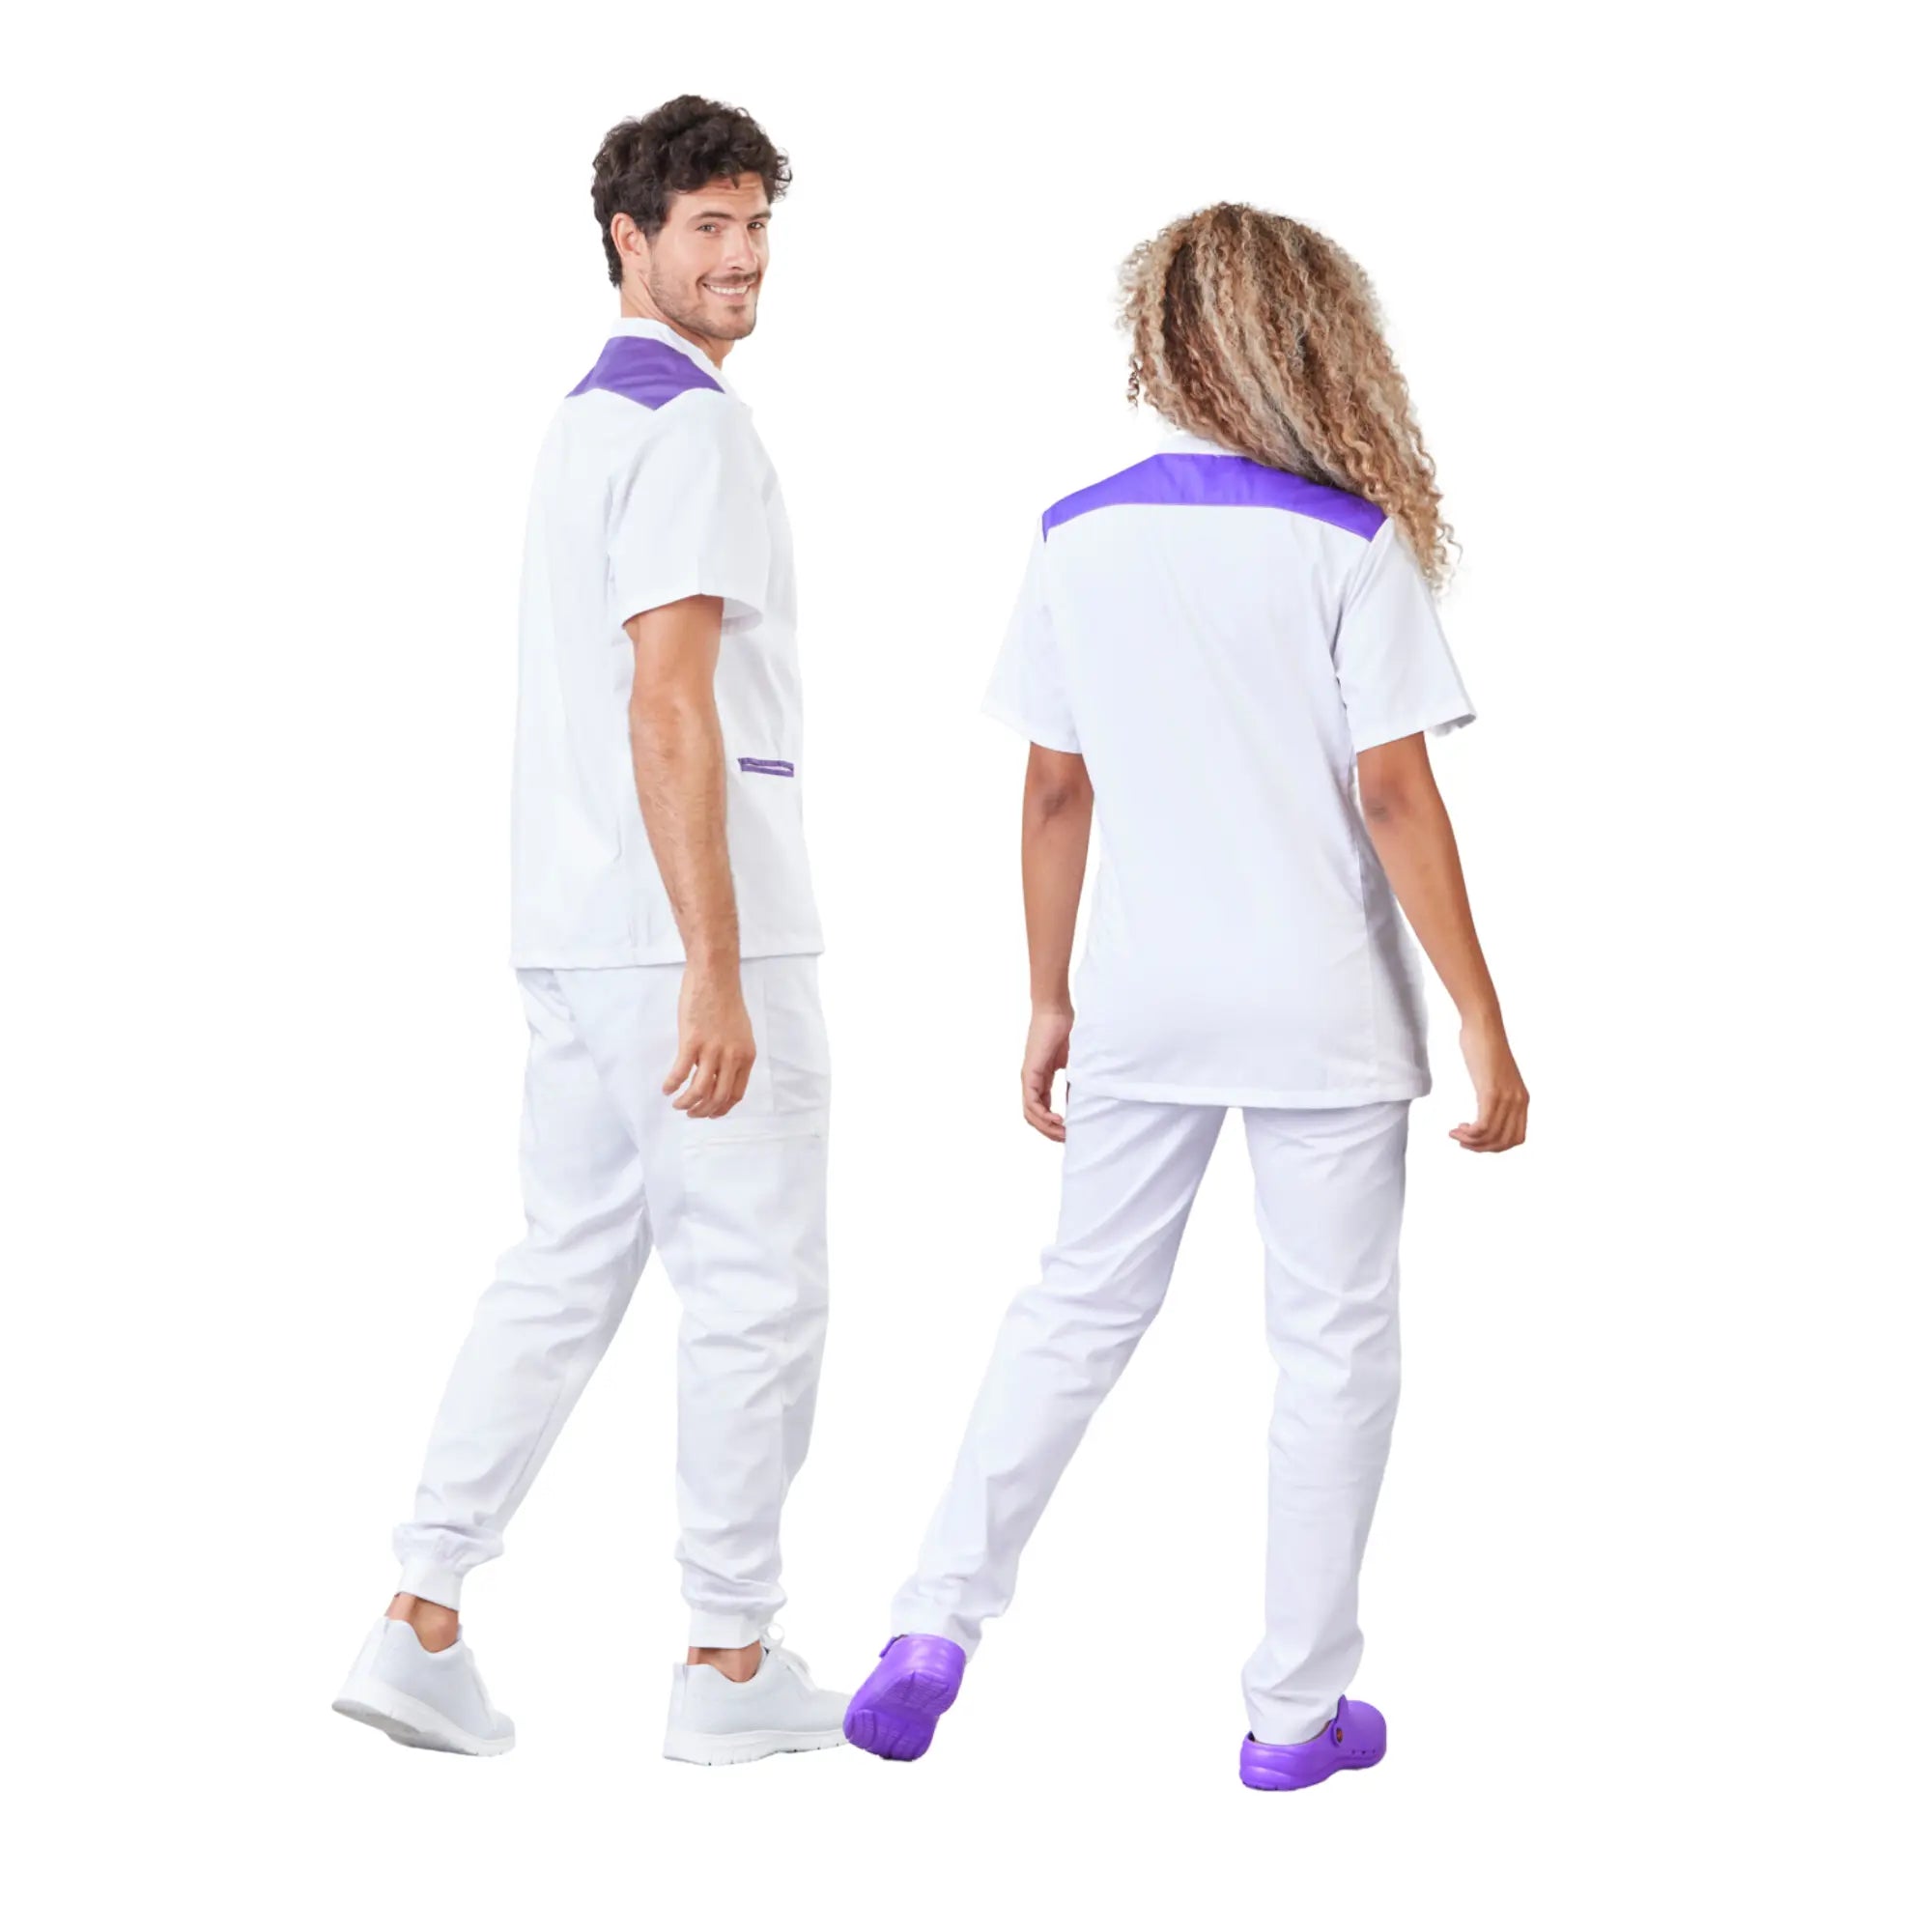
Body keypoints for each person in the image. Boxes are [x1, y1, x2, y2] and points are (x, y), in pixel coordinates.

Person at [843, 203, 1528, 1790]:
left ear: (1157, 342)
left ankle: (931, 1624)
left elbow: (1053, 790)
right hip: (1324, 1014)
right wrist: (1483, 1020)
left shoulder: (1075, 533)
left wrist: (1046, 997)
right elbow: (1395, 797)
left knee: (1075, 1307)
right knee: (1333, 1350)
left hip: (1143, 997)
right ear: (1316, 342)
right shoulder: (1351, 541)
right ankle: (1293, 1716)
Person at [332, 97, 847, 1764]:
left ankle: (420, 1613)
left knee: (563, 1266)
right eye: (707, 227)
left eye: (756, 225)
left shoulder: (585, 423)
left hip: (573, 926)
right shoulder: (688, 432)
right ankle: (729, 1660)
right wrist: (717, 966)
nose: (742, 257)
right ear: (628, 239)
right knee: (757, 1291)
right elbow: (668, 703)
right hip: (685, 934)